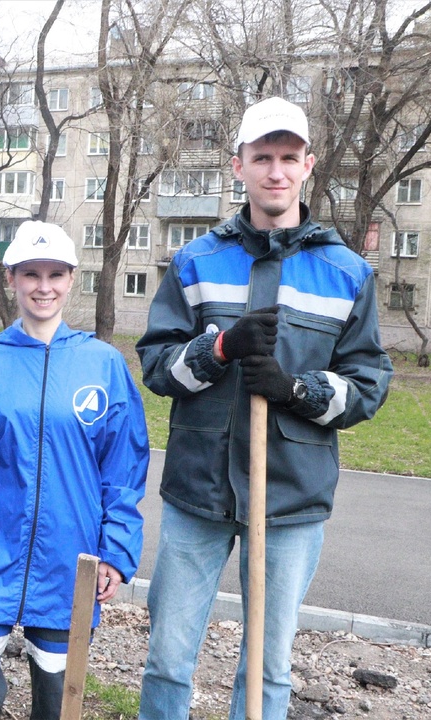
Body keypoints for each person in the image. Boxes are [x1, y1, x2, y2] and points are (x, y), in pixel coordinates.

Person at [135, 96, 393, 720]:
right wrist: (220, 348)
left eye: (288, 158)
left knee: (269, 668)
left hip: (290, 497)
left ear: (308, 165)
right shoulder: (196, 262)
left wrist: (294, 390)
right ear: (239, 166)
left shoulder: (346, 272)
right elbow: (157, 367)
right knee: (168, 658)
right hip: (199, 492)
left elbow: (368, 385)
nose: (275, 171)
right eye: (262, 158)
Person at [0, 221, 150, 720]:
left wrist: (115, 551)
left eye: (55, 274)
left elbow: (123, 469)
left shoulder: (103, 364)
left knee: (57, 699)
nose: (43, 286)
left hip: (69, 560)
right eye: (31, 274)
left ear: (72, 278)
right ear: (11, 278)